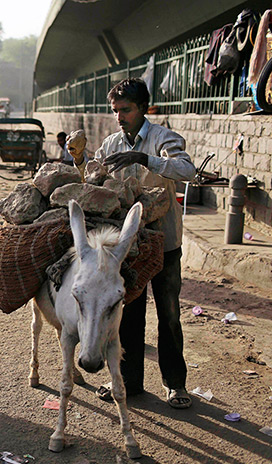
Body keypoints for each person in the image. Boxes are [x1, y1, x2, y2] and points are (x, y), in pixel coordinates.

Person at [94, 78, 196, 409]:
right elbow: (92, 179)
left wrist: (145, 158)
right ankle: (128, 381)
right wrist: (76, 158)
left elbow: (187, 169)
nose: (120, 117)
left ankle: (175, 384)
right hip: (129, 247)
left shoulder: (163, 138)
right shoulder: (110, 144)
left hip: (164, 241)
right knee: (127, 315)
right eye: (115, 111)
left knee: (168, 314)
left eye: (126, 110)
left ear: (142, 108)